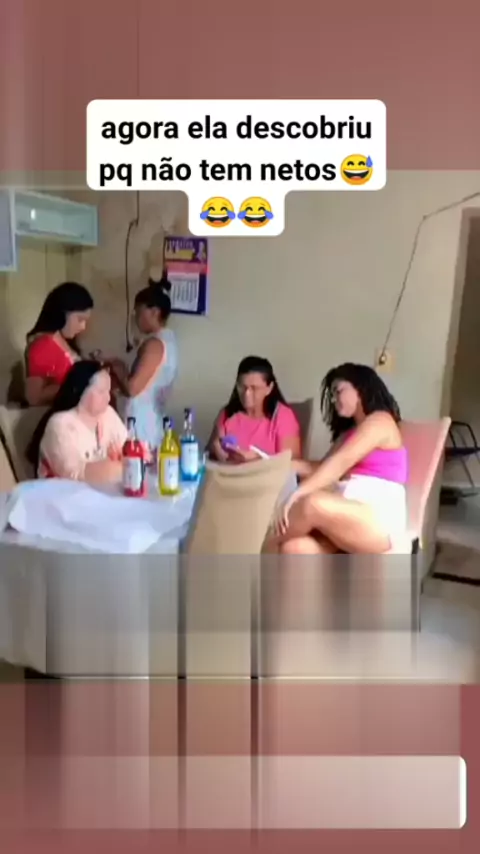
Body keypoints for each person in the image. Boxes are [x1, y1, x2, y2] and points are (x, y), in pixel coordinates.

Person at [273, 363, 408, 555]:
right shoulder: (347, 434)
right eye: (332, 395)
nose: (334, 399)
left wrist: (298, 493)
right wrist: (278, 464)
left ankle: (251, 555)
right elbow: (322, 468)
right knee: (295, 548)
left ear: (360, 389)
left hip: (378, 520)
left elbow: (339, 463)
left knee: (312, 503)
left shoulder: (381, 421)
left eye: (338, 391)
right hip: (342, 513)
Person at [27, 360, 127, 483]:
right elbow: (74, 475)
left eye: (108, 391)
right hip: (62, 492)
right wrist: (118, 467)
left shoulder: (108, 413)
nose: (108, 397)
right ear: (80, 390)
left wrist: (124, 458)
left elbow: (128, 447)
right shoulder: (60, 425)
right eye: (101, 391)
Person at [110, 278, 178, 451]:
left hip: (141, 422)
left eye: (139, 312)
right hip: (152, 420)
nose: (135, 318)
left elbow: (133, 388)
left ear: (154, 312)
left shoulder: (155, 344)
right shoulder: (169, 340)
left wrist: (119, 369)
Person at [208, 356, 301, 463]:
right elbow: (208, 455)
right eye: (242, 387)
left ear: (269, 388)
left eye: (254, 388)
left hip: (267, 474)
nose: (247, 394)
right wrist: (214, 450)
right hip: (228, 472)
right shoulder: (227, 413)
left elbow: (292, 464)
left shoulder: (283, 416)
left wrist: (257, 461)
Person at [24, 282, 94, 406]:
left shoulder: (64, 341)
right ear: (61, 314)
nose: (83, 327)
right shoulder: (43, 346)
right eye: (80, 319)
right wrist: (75, 385)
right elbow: (34, 397)